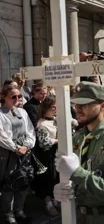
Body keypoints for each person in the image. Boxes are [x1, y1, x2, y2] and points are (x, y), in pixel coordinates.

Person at [53, 82, 104, 223]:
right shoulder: (77, 137)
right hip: (78, 215)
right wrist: (62, 188)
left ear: (103, 106)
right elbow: (69, 175)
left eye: (85, 104)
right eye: (76, 104)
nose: (77, 108)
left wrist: (76, 173)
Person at [0, 85, 36, 224]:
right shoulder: (1, 114)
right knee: (9, 185)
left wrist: (26, 146)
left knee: (23, 181)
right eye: (13, 97)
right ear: (4, 97)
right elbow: (2, 136)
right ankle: (8, 215)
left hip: (24, 153)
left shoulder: (22, 112)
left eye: (19, 96)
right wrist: (15, 148)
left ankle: (19, 211)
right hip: (8, 154)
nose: (17, 99)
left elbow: (30, 131)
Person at [35, 96, 59, 216]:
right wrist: (57, 140)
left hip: (55, 153)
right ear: (46, 108)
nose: (55, 109)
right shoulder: (42, 124)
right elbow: (44, 143)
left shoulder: (55, 120)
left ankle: (55, 199)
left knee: (55, 178)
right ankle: (48, 203)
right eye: (53, 107)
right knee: (47, 178)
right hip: (46, 155)